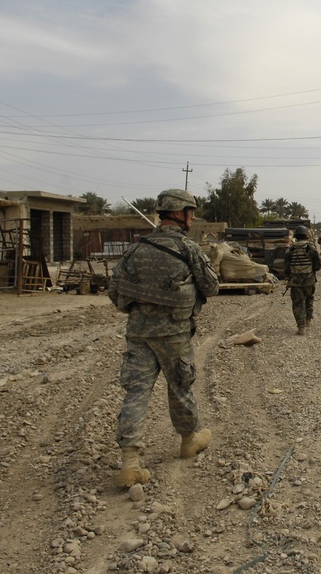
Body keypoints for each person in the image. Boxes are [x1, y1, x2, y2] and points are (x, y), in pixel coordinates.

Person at [108, 188, 219, 487]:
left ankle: (130, 463)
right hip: (174, 334)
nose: (193, 217)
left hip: (139, 334)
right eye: (191, 212)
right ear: (179, 214)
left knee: (136, 393)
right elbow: (211, 287)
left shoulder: (136, 249)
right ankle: (188, 440)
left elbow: (114, 291)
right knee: (181, 386)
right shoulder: (188, 248)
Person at [285, 225, 321, 335]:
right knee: (309, 299)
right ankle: (308, 321)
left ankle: (301, 328)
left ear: (295, 236)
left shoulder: (290, 249)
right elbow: (318, 265)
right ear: (306, 235)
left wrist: (290, 276)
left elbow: (286, 268)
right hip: (309, 281)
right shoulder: (311, 248)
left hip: (295, 282)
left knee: (298, 304)